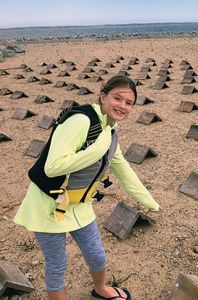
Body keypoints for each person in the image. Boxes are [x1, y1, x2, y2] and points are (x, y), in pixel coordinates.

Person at [14, 75, 160, 300]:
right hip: (48, 204)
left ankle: (101, 289)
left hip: (78, 204)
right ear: (103, 97)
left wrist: (150, 202)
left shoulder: (110, 132)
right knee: (57, 264)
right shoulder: (81, 121)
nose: (122, 105)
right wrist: (98, 147)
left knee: (97, 256)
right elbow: (53, 167)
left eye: (128, 102)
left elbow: (123, 170)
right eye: (117, 98)